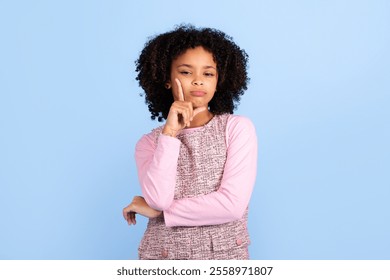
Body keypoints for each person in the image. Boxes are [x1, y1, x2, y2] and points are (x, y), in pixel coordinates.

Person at [123, 24, 257, 260]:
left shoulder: (237, 129)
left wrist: (159, 213)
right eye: (186, 72)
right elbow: (159, 199)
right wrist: (171, 133)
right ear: (166, 79)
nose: (198, 81)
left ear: (219, 80)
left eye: (208, 73)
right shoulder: (149, 143)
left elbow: (232, 206)